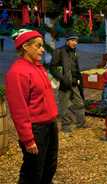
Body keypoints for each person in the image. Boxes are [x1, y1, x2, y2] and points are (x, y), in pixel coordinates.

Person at [5, 29, 58, 184]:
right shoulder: (17, 72)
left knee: (50, 165)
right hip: (36, 129)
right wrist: (28, 139)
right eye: (38, 45)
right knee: (33, 171)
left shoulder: (37, 67)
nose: (42, 49)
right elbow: (18, 110)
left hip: (49, 124)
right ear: (25, 47)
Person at [50, 32, 86, 133]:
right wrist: (62, 78)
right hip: (64, 84)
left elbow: (75, 68)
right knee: (64, 106)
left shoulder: (74, 52)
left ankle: (81, 123)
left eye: (76, 41)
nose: (75, 43)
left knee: (80, 103)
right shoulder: (59, 51)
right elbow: (52, 68)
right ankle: (65, 126)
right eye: (72, 40)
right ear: (67, 41)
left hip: (75, 83)